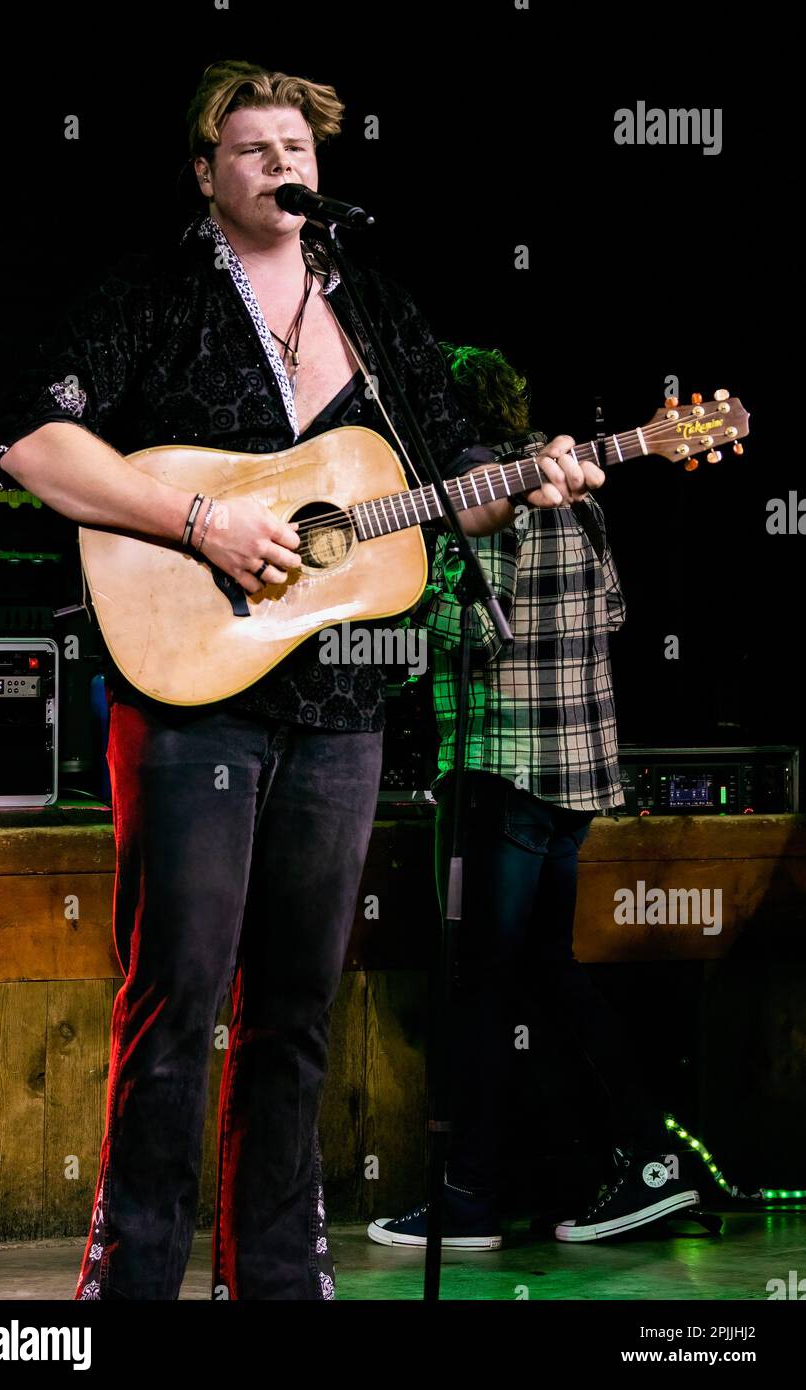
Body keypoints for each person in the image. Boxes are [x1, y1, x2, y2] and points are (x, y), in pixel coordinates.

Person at [0, 62, 604, 1299]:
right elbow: (32, 442)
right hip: (187, 696)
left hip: (340, 708)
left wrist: (531, 476)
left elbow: (446, 483)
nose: (283, 166)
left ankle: (275, 1277)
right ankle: (130, 1283)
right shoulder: (153, 293)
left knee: (298, 1013)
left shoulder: (371, 305)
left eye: (299, 151)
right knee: (177, 1004)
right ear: (208, 170)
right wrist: (201, 518)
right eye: (255, 148)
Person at [368, 345, 700, 1250]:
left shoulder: (483, 503)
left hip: (502, 773)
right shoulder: (576, 497)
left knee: (479, 990)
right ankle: (647, 1159)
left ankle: (469, 1201)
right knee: (545, 972)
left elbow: (461, 624)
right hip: (574, 778)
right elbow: (618, 613)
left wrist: (410, 577)